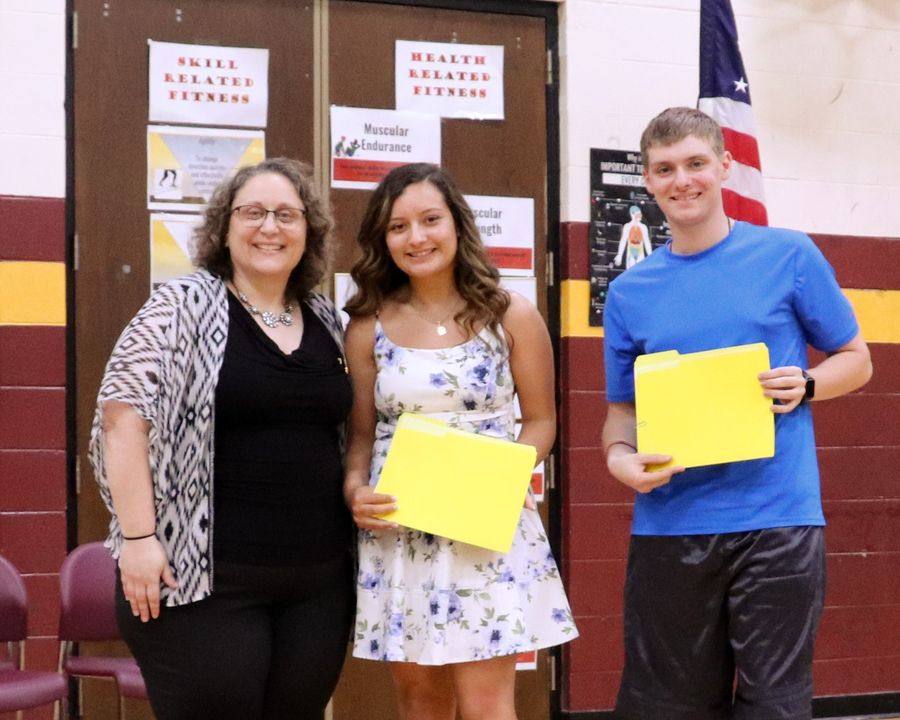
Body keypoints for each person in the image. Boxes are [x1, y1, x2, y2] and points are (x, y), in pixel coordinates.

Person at [601, 106, 873, 719]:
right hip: (671, 524)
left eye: (695, 163)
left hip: (777, 521)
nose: (682, 181)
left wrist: (807, 383)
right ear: (647, 180)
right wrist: (619, 460)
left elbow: (857, 359)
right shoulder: (628, 293)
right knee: (666, 708)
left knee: (774, 705)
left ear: (725, 166)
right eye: (665, 169)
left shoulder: (788, 255)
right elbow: (621, 411)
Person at [88, 158, 354, 720]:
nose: (269, 227)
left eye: (286, 215)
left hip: (316, 588)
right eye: (252, 212)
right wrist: (138, 539)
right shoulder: (180, 305)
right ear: (224, 227)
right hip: (199, 583)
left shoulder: (328, 320)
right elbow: (122, 417)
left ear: (309, 231)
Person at [343, 162, 578, 720]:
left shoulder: (509, 313)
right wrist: (355, 491)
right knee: (420, 702)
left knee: (486, 704)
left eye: (430, 220)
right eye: (398, 226)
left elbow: (541, 420)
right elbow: (359, 437)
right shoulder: (367, 326)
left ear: (457, 224)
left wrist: (502, 476)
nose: (416, 237)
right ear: (383, 239)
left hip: (483, 524)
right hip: (402, 533)